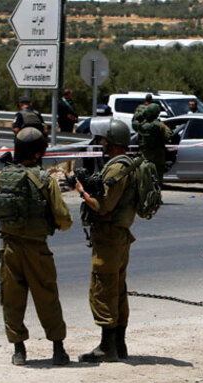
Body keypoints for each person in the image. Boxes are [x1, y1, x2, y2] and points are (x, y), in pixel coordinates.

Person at [0, 128, 74, 366]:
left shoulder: (4, 176)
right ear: (40, 152)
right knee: (47, 298)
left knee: (11, 299)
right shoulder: (47, 180)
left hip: (8, 248)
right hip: (37, 249)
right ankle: (58, 349)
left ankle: (19, 350)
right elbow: (64, 220)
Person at [73, 119, 137, 363]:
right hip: (118, 236)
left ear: (110, 143)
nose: (99, 144)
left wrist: (82, 191)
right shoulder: (123, 164)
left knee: (103, 289)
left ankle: (107, 347)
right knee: (117, 290)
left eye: (102, 140)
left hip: (109, 238)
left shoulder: (116, 168)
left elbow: (102, 206)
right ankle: (119, 345)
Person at [133, 102, 172, 175]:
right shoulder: (160, 125)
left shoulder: (142, 125)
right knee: (158, 174)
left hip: (145, 155)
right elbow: (168, 136)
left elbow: (138, 139)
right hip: (158, 156)